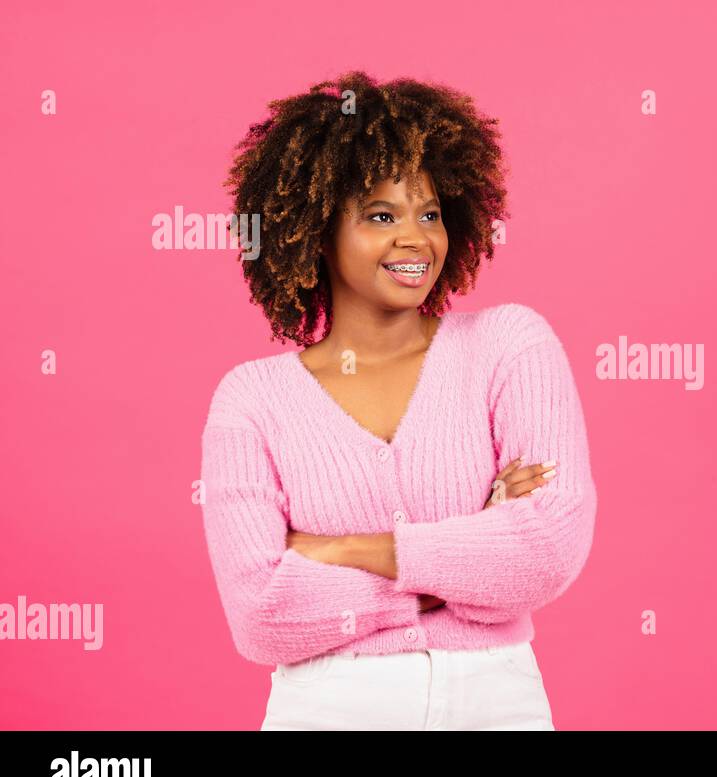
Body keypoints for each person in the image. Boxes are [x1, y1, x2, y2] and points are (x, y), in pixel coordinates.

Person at [199, 71, 597, 730]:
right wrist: (458, 566)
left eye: (430, 212)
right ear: (319, 229)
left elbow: (547, 549)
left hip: (495, 703)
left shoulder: (508, 346)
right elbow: (259, 614)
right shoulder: (252, 399)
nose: (415, 238)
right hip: (328, 708)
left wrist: (342, 548)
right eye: (381, 215)